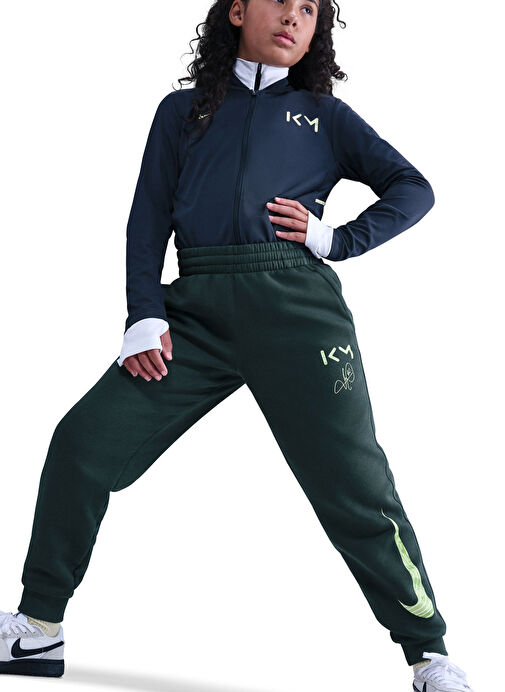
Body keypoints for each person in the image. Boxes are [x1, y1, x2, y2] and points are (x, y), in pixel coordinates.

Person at [0, 1, 474, 689]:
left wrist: (337, 240)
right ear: (237, 11)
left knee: (357, 487)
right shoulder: (181, 112)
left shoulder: (325, 116)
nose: (293, 16)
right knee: (82, 442)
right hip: (193, 315)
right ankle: (38, 629)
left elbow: (414, 189)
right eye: (280, 0)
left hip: (298, 315)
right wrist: (144, 314)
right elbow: (146, 218)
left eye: (309, 9)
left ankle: (428, 652)